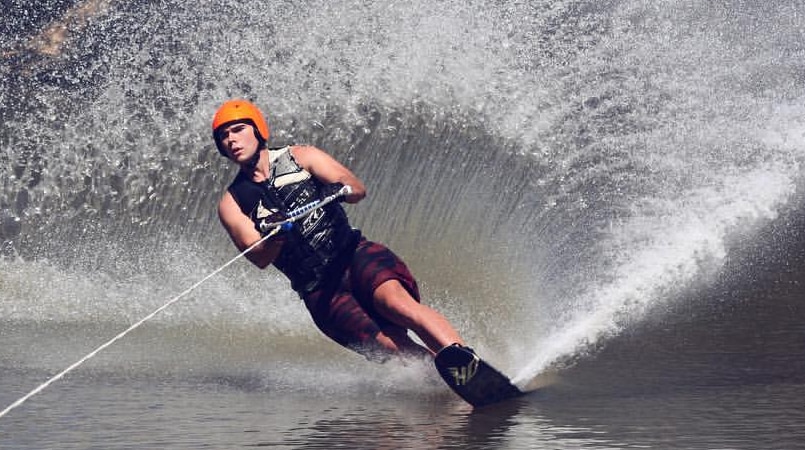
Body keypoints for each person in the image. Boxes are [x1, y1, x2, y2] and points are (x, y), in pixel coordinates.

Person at [212, 98, 468, 362]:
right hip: (318, 289)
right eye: (223, 136)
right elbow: (259, 258)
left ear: (258, 130)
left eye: (238, 129)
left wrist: (337, 189)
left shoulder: (301, 156)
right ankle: (447, 379)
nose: (231, 140)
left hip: (353, 255)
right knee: (389, 346)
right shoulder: (232, 203)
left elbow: (357, 189)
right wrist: (277, 237)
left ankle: (463, 358)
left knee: (398, 305)